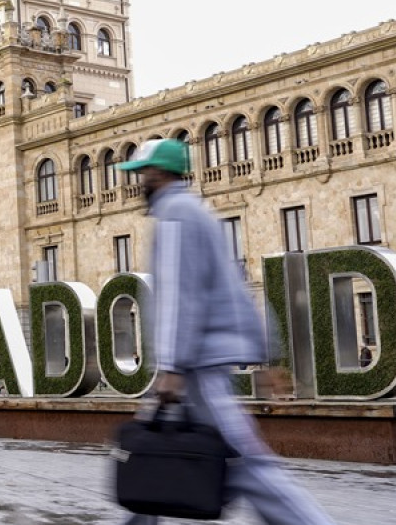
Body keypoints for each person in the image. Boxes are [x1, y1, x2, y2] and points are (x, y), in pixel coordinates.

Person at [119, 139, 334, 525]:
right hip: (197, 362)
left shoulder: (177, 215)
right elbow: (236, 289)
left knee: (248, 464)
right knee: (154, 450)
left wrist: (173, 366)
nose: (139, 183)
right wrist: (264, 354)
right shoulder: (195, 211)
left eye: (142, 175)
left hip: (196, 366)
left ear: (159, 173)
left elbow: (181, 296)